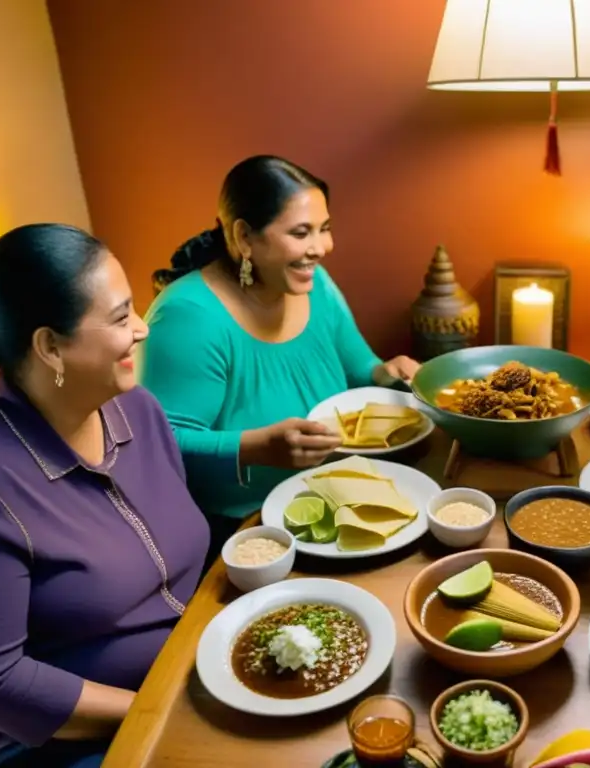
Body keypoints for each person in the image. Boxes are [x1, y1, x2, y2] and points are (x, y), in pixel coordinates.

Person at [0, 224, 209, 768]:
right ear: (50, 346)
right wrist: (157, 709)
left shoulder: (138, 408)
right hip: (55, 744)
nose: (143, 329)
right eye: (121, 316)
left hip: (185, 683)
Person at [138, 155, 419, 554]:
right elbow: (159, 442)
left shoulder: (314, 283)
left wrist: (387, 372)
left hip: (339, 501)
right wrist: (258, 447)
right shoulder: (188, 316)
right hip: (243, 532)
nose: (322, 248)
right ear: (244, 238)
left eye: (325, 229)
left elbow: (360, 369)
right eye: (301, 232)